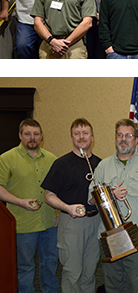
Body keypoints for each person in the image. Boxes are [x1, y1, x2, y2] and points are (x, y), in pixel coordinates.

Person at [89, 119, 138, 293]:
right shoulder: (103, 166)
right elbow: (91, 199)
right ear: (115, 138)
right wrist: (109, 194)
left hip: (137, 236)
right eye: (120, 135)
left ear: (136, 140)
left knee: (137, 285)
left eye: (128, 135)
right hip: (109, 237)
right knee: (113, 286)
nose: (123, 139)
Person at [42, 118, 101, 293]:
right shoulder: (61, 164)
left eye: (85, 133)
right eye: (77, 133)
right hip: (71, 224)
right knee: (72, 273)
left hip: (95, 222)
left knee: (90, 272)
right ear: (71, 137)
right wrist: (67, 208)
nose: (81, 137)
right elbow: (48, 196)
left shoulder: (100, 164)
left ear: (92, 137)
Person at [0, 118, 58, 293]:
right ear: (20, 135)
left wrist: (59, 214)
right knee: (25, 267)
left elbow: (60, 189)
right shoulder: (6, 158)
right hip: (22, 224)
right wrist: (19, 202)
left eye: (36, 134)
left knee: (50, 263)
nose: (32, 137)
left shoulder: (52, 159)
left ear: (41, 136)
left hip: (48, 223)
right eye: (27, 134)